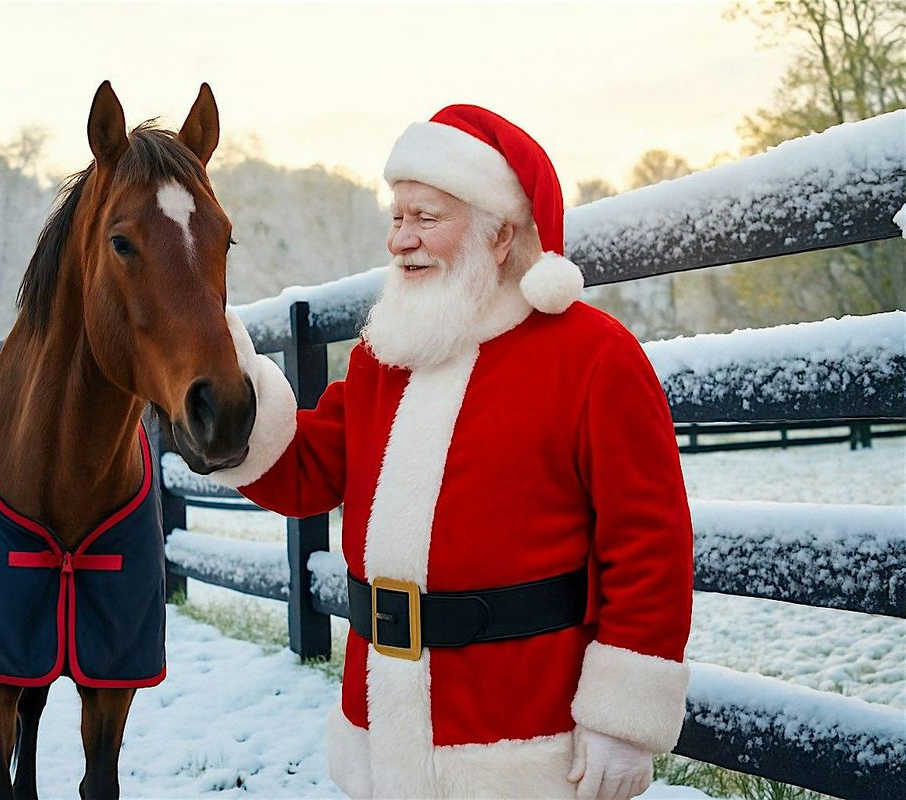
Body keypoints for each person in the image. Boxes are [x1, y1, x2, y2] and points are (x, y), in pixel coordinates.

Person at [208, 104, 694, 800]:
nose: (400, 239)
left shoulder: (592, 356)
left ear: (499, 235)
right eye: (397, 217)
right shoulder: (386, 357)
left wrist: (622, 719)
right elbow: (309, 472)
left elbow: (651, 542)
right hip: (384, 714)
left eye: (425, 218)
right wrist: (231, 406)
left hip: (521, 731)